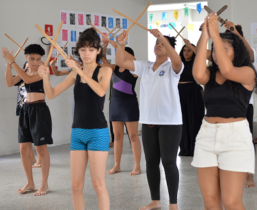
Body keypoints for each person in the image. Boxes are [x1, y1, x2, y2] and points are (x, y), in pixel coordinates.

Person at [191, 13, 257, 210]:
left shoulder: (247, 72)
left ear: (236, 52)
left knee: (231, 202)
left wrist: (215, 34)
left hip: (235, 138)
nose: (215, 53)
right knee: (210, 201)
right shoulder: (211, 74)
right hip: (206, 136)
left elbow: (229, 70)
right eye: (214, 50)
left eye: (224, 49)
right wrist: (205, 37)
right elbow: (197, 74)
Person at [38, 28, 112, 210]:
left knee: (98, 185)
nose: (87, 53)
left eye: (92, 49)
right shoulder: (74, 73)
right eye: (83, 49)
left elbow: (101, 91)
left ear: (98, 51)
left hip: (98, 132)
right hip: (77, 132)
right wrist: (46, 78)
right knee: (75, 186)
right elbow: (52, 94)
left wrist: (79, 70)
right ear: (78, 50)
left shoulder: (105, 70)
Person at [116, 29, 183, 210]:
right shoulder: (144, 65)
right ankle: (155, 200)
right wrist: (121, 44)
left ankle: (173, 203)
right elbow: (120, 61)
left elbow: (177, 61)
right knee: (151, 162)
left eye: (162, 43)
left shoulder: (172, 67)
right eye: (157, 43)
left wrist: (163, 39)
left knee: (169, 162)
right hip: (148, 121)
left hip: (170, 122)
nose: (158, 45)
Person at [2, 44, 53, 196]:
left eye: (38, 59)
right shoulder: (24, 69)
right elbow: (10, 83)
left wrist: (12, 63)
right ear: (26, 57)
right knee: (24, 148)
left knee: (40, 148)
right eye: (32, 59)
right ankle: (30, 182)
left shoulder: (42, 70)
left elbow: (29, 80)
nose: (35, 62)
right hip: (26, 110)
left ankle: (44, 184)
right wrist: (7, 64)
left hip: (40, 110)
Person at [224, 21, 257, 188]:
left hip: (244, 105)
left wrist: (235, 32)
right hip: (224, 105)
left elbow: (251, 54)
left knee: (246, 141)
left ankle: (249, 176)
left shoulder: (245, 58)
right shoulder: (223, 59)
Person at [101, 40, 141, 176]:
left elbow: (135, 60)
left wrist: (120, 47)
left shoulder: (134, 70)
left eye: (123, 54)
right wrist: (105, 47)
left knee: (133, 136)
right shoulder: (114, 68)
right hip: (115, 104)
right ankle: (117, 165)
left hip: (129, 104)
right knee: (117, 136)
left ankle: (137, 166)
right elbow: (102, 59)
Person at [177, 41, 204, 157]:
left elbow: (201, 55)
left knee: (194, 121)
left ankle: (195, 149)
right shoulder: (178, 63)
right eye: (184, 50)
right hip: (179, 93)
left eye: (189, 50)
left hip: (194, 93)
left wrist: (193, 46)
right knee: (182, 121)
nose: (186, 52)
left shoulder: (197, 63)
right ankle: (184, 149)